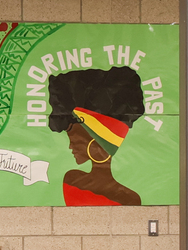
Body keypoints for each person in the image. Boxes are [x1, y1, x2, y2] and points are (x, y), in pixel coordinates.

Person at [48, 66, 145, 206]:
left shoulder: (74, 182)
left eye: (74, 139)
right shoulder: (130, 198)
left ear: (95, 144)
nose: (70, 146)